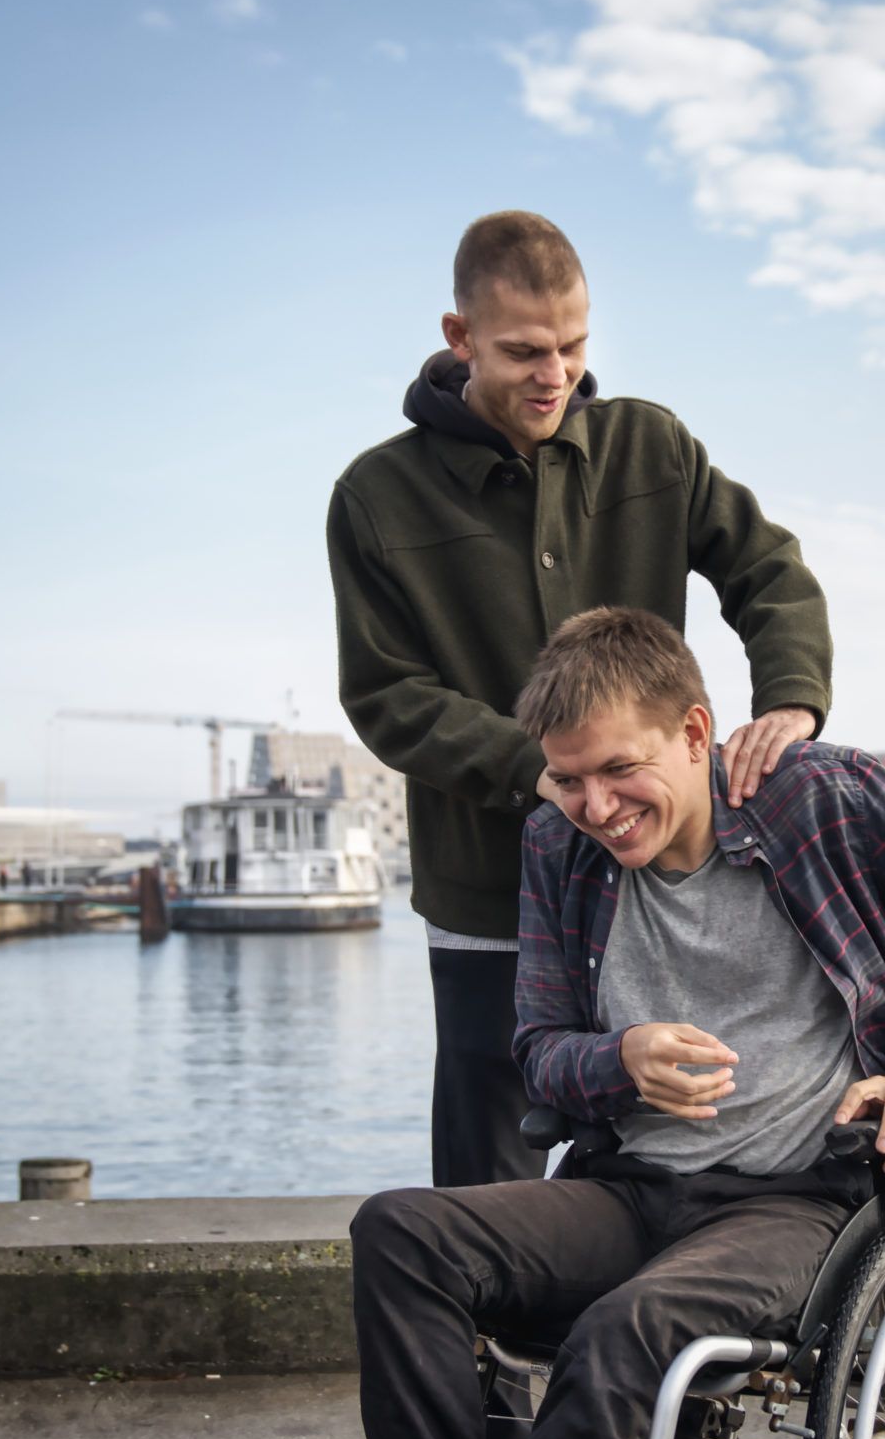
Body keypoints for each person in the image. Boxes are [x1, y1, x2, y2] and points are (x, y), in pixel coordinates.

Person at [349, 607, 885, 1439]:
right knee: (398, 1235)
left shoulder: (819, 798)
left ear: (693, 731)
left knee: (630, 1325)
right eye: (569, 778)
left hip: (803, 1198)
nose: (595, 805)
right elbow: (538, 1044)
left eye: (617, 770)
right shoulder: (558, 843)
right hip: (631, 1185)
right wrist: (617, 1060)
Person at [327, 211, 834, 1192]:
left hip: (659, 878)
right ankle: (486, 1349)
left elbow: (768, 571)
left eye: (572, 346)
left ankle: (636, 1340)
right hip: (485, 889)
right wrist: (540, 774)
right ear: (458, 337)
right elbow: (386, 695)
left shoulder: (652, 447)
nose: (553, 372)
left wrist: (792, 702)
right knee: (489, 1165)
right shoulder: (376, 497)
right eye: (522, 351)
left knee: (673, 1138)